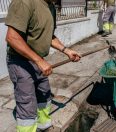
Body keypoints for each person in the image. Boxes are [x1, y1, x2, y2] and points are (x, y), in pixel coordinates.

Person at [5, 0, 81, 132]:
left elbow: (49, 36)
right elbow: (12, 38)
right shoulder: (24, 2)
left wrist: (67, 51)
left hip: (37, 60)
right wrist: (38, 61)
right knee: (27, 103)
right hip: (20, 62)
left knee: (44, 95)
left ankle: (43, 125)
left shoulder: (50, 6)